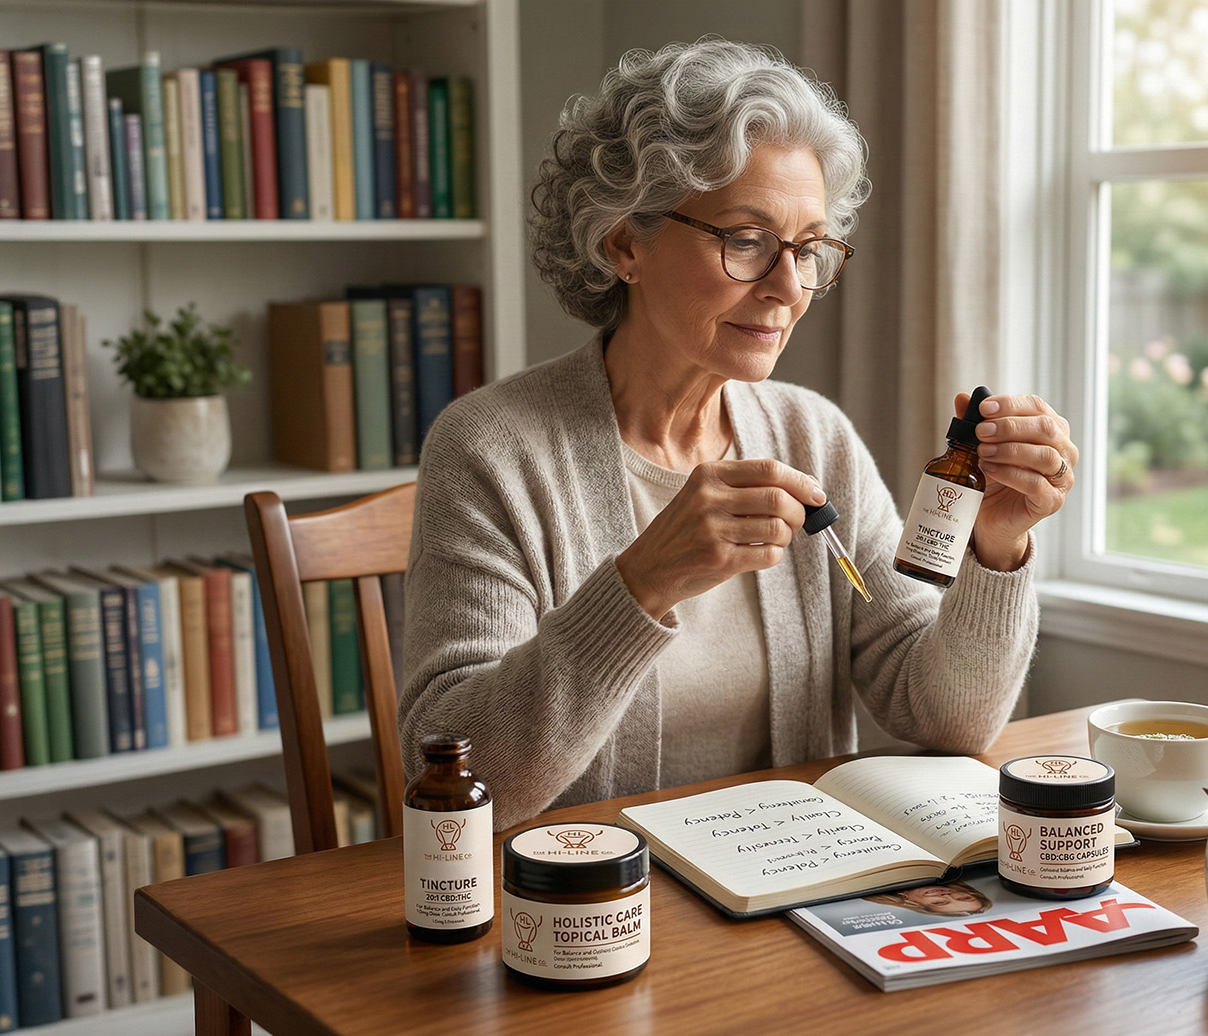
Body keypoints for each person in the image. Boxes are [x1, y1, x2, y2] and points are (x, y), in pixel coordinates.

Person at [399, 38, 1079, 829]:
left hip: (789, 892)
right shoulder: (487, 450)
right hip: (588, 913)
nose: (790, 288)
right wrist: (640, 586)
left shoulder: (811, 435)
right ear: (624, 243)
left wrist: (996, 547)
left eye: (810, 248)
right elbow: (452, 775)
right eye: (747, 240)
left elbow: (945, 719)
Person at [864, 882, 994, 918]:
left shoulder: (872, 892)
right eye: (964, 898)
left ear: (917, 905)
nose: (947, 896)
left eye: (939, 902)